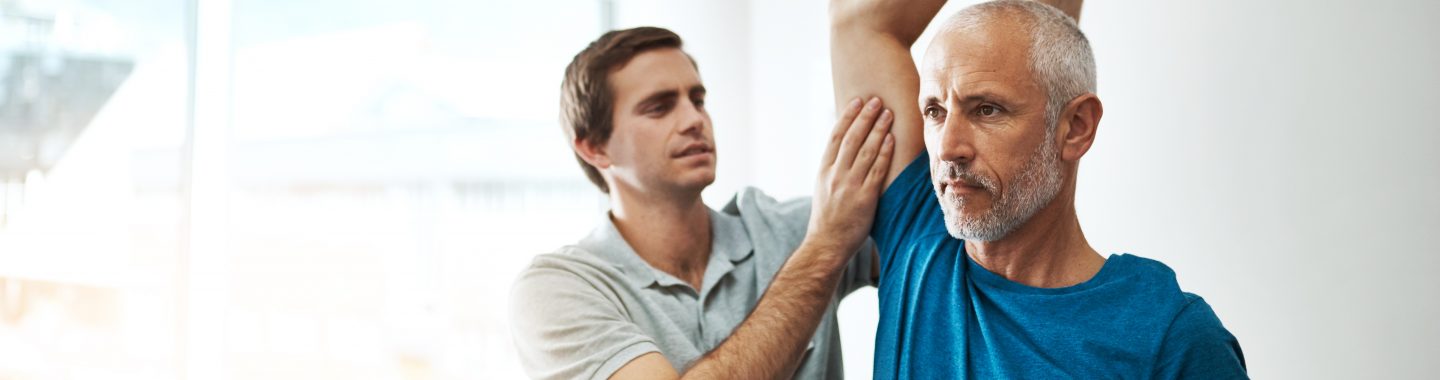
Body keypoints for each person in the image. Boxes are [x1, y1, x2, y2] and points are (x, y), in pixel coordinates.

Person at [827, 0, 1249, 378]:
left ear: (1075, 128)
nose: (948, 148)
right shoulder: (916, 236)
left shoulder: (1168, 336)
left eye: (986, 109)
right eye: (934, 111)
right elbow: (858, 19)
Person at [509, 26, 895, 379]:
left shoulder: (794, 229)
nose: (694, 119)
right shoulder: (558, 288)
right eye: (659, 107)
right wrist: (824, 250)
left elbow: (926, 232)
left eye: (697, 99)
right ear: (594, 147)